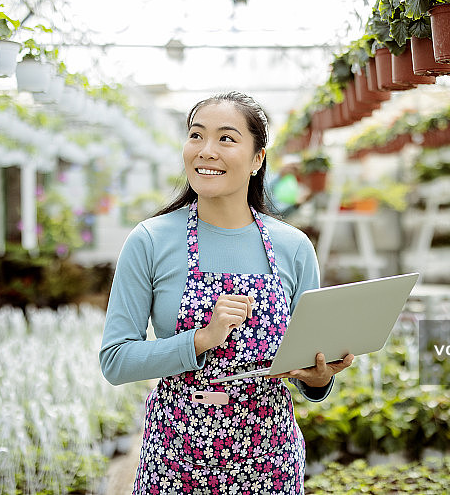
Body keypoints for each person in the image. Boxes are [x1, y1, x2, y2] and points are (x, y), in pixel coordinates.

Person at [99, 91, 354, 494]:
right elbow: (115, 361)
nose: (206, 151)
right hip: (176, 459)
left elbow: (308, 366)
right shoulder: (150, 240)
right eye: (196, 136)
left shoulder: (293, 247)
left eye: (226, 139)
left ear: (257, 159)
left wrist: (319, 379)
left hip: (269, 460)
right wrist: (201, 339)